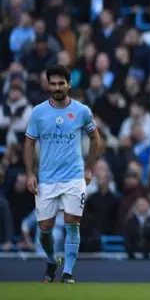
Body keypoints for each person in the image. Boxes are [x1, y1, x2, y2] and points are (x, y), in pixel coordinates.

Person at [24, 65, 101, 284]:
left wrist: (89, 168)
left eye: (61, 83)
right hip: (47, 179)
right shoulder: (38, 112)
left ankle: (67, 272)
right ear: (48, 85)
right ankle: (51, 260)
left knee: (72, 223)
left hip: (74, 177)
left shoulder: (81, 111)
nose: (57, 87)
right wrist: (30, 174)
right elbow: (29, 142)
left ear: (69, 84)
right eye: (53, 84)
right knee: (45, 228)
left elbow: (95, 138)